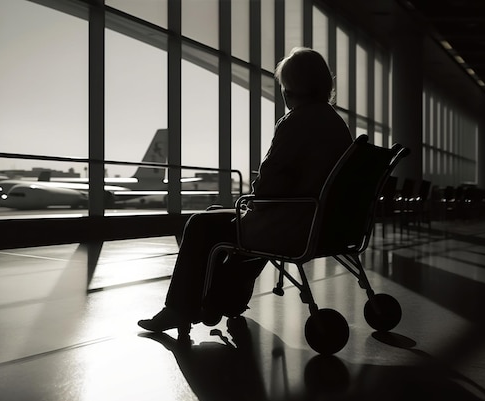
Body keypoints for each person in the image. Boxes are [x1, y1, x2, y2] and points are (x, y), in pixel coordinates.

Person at [138, 47, 353, 334]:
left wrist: (253, 199)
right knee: (223, 218)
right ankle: (223, 301)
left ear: (288, 91)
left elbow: (269, 184)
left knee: (201, 224)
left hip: (293, 226)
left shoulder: (296, 122)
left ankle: (180, 308)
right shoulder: (337, 125)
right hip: (321, 224)